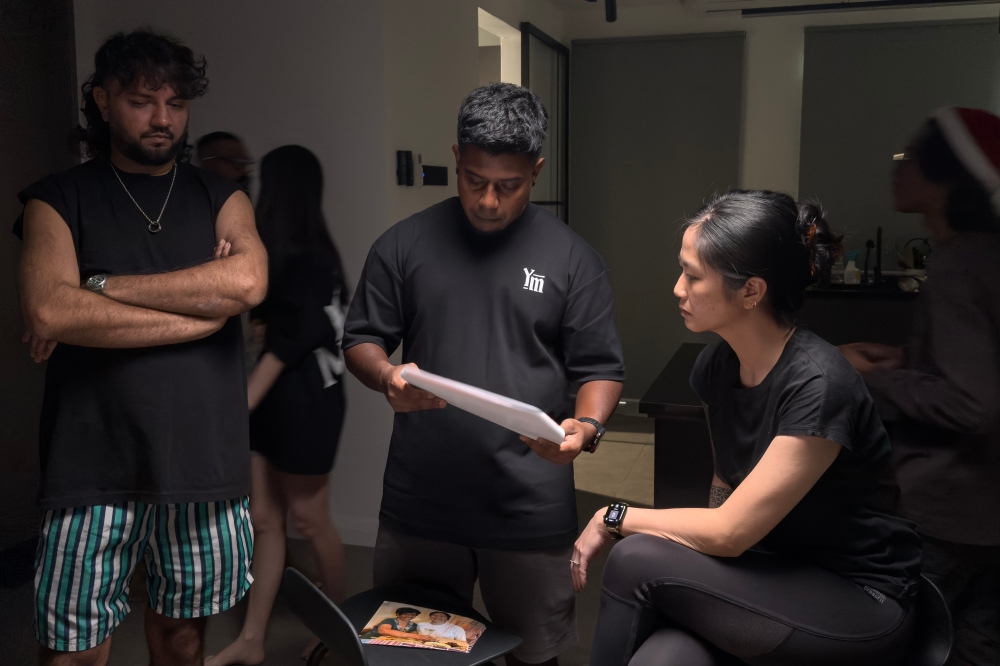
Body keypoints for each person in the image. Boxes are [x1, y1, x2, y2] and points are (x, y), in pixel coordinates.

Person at [575, 190, 922, 666]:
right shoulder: (717, 366)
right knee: (664, 658)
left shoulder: (819, 384)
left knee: (636, 557)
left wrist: (613, 516)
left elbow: (730, 531)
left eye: (693, 276)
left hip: (857, 599)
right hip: (773, 574)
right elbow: (725, 487)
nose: (678, 288)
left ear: (752, 292)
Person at [343, 82, 625, 666]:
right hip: (421, 500)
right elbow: (362, 339)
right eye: (474, 180)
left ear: (537, 171)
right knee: (413, 655)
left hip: (529, 504)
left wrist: (586, 428)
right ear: (456, 159)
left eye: (509, 185)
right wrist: (386, 377)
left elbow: (600, 367)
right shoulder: (404, 245)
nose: (489, 200)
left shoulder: (573, 259)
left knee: (534, 656)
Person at [15, 29, 267, 666]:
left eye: (177, 104)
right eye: (142, 101)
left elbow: (246, 281)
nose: (163, 119)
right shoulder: (58, 197)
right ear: (102, 101)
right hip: (90, 465)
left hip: (202, 465)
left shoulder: (220, 195)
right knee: (73, 652)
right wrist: (202, 315)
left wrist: (97, 289)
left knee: (181, 641)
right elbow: (49, 307)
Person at [840, 107, 1000, 666]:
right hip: (986, 514)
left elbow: (974, 402)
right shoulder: (985, 255)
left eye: (907, 159)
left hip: (950, 505)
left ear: (945, 177)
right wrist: (911, 357)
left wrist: (877, 378)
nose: (896, 169)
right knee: (978, 646)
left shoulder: (959, 266)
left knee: (904, 641)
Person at [207, 145, 350, 666]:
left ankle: (343, 631)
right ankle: (252, 640)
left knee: (311, 522)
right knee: (265, 521)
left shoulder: (311, 257)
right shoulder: (280, 250)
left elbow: (292, 340)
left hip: (307, 403)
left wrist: (241, 403)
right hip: (274, 403)